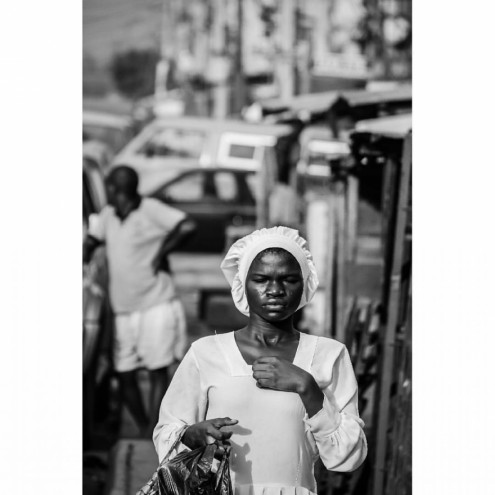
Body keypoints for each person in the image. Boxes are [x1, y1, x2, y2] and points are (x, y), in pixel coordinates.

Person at [153, 226, 367, 494]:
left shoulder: (329, 355)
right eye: (261, 279)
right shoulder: (205, 353)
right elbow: (166, 433)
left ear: (305, 283)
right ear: (242, 283)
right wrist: (192, 434)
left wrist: (308, 389)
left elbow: (348, 457)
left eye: (288, 279)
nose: (275, 289)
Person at [83, 165, 197, 437]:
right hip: (124, 309)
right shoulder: (110, 215)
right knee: (124, 373)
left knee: (157, 369)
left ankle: (152, 431)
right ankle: (147, 426)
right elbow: (91, 239)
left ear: (115, 188)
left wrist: (161, 253)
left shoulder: (150, 209)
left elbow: (188, 224)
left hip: (155, 303)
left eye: (108, 186)